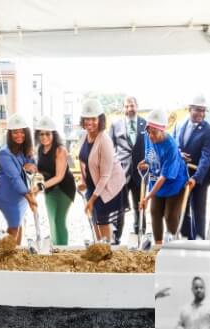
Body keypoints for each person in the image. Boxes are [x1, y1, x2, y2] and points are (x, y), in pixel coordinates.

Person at [78, 99, 126, 242]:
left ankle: (106, 250)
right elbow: (83, 160)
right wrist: (83, 181)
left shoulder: (105, 141)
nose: (89, 122)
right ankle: (99, 247)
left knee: (102, 220)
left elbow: (105, 175)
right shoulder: (83, 136)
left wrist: (92, 199)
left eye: (93, 118)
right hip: (94, 182)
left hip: (108, 185)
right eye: (86, 118)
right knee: (94, 219)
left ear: (100, 119)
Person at [137, 109, 188, 245]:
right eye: (149, 131)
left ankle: (173, 245)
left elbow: (164, 177)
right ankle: (158, 247)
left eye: (154, 132)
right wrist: (146, 162)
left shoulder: (170, 146)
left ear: (163, 130)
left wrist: (147, 197)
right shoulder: (147, 136)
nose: (151, 136)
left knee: (169, 215)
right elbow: (152, 154)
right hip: (156, 177)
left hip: (174, 182)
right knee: (154, 212)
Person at [175, 94, 210, 240]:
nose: (201, 114)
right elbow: (174, 146)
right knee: (181, 209)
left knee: (198, 211)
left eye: (203, 110)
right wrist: (179, 153)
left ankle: (200, 241)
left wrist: (196, 178)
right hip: (181, 175)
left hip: (199, 177)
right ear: (189, 109)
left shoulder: (209, 131)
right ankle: (187, 238)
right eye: (198, 110)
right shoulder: (179, 125)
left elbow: (207, 157)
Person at [0, 114, 38, 244]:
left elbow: (34, 167)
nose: (19, 135)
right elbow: (15, 178)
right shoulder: (4, 153)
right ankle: (5, 256)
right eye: (15, 132)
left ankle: (16, 253)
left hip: (22, 197)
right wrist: (30, 197)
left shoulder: (24, 149)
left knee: (19, 225)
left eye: (22, 132)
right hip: (8, 196)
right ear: (10, 134)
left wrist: (32, 165)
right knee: (14, 227)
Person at [109, 96, 147, 239]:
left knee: (140, 207)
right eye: (127, 106)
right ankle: (115, 237)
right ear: (123, 108)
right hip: (121, 174)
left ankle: (140, 236)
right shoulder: (115, 125)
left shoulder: (145, 124)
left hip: (140, 173)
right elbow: (110, 148)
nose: (130, 109)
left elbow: (151, 147)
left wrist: (148, 162)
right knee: (119, 208)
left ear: (137, 106)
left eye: (132, 106)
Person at [35, 116, 77, 246]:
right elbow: (44, 170)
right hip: (49, 189)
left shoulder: (60, 150)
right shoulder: (41, 149)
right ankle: (55, 248)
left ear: (53, 134)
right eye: (41, 134)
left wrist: (40, 187)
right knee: (52, 219)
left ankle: (63, 249)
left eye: (48, 133)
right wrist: (33, 169)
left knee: (59, 220)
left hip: (64, 189)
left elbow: (59, 176)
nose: (44, 137)